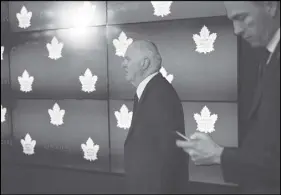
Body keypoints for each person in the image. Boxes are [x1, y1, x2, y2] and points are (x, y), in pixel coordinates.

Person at [176, 1, 280, 193]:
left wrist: (219, 155)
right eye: (232, 20)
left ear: (270, 6)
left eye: (242, 18)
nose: (236, 30)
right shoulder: (268, 57)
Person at [122, 40, 189, 194]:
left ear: (144, 63)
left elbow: (165, 161)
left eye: (128, 59)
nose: (123, 64)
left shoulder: (160, 96)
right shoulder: (151, 91)